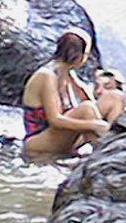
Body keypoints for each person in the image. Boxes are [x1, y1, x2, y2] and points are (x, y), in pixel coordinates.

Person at [21, 28, 111, 157]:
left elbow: (88, 102)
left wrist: (76, 82)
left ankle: (101, 152)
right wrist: (93, 125)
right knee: (86, 110)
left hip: (56, 135)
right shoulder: (46, 76)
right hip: (38, 141)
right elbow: (55, 120)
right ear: (79, 56)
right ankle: (102, 155)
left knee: (101, 103)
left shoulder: (65, 72)